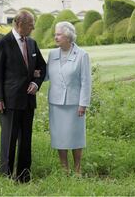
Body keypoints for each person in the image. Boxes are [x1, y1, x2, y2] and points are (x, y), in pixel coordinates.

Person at [0, 10, 46, 183]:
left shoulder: (32, 43)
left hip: (28, 102)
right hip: (9, 101)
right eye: (31, 24)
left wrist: (36, 82)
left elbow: (42, 68)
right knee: (9, 141)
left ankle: (23, 177)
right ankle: (5, 177)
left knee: (26, 141)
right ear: (19, 24)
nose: (33, 27)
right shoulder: (2, 43)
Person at [45, 21, 91, 174]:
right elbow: (45, 76)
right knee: (60, 137)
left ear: (68, 36)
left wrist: (83, 104)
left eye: (58, 34)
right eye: (55, 34)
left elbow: (86, 82)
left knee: (76, 136)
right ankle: (64, 169)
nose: (55, 37)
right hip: (56, 103)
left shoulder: (82, 55)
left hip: (74, 104)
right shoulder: (52, 54)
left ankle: (77, 169)